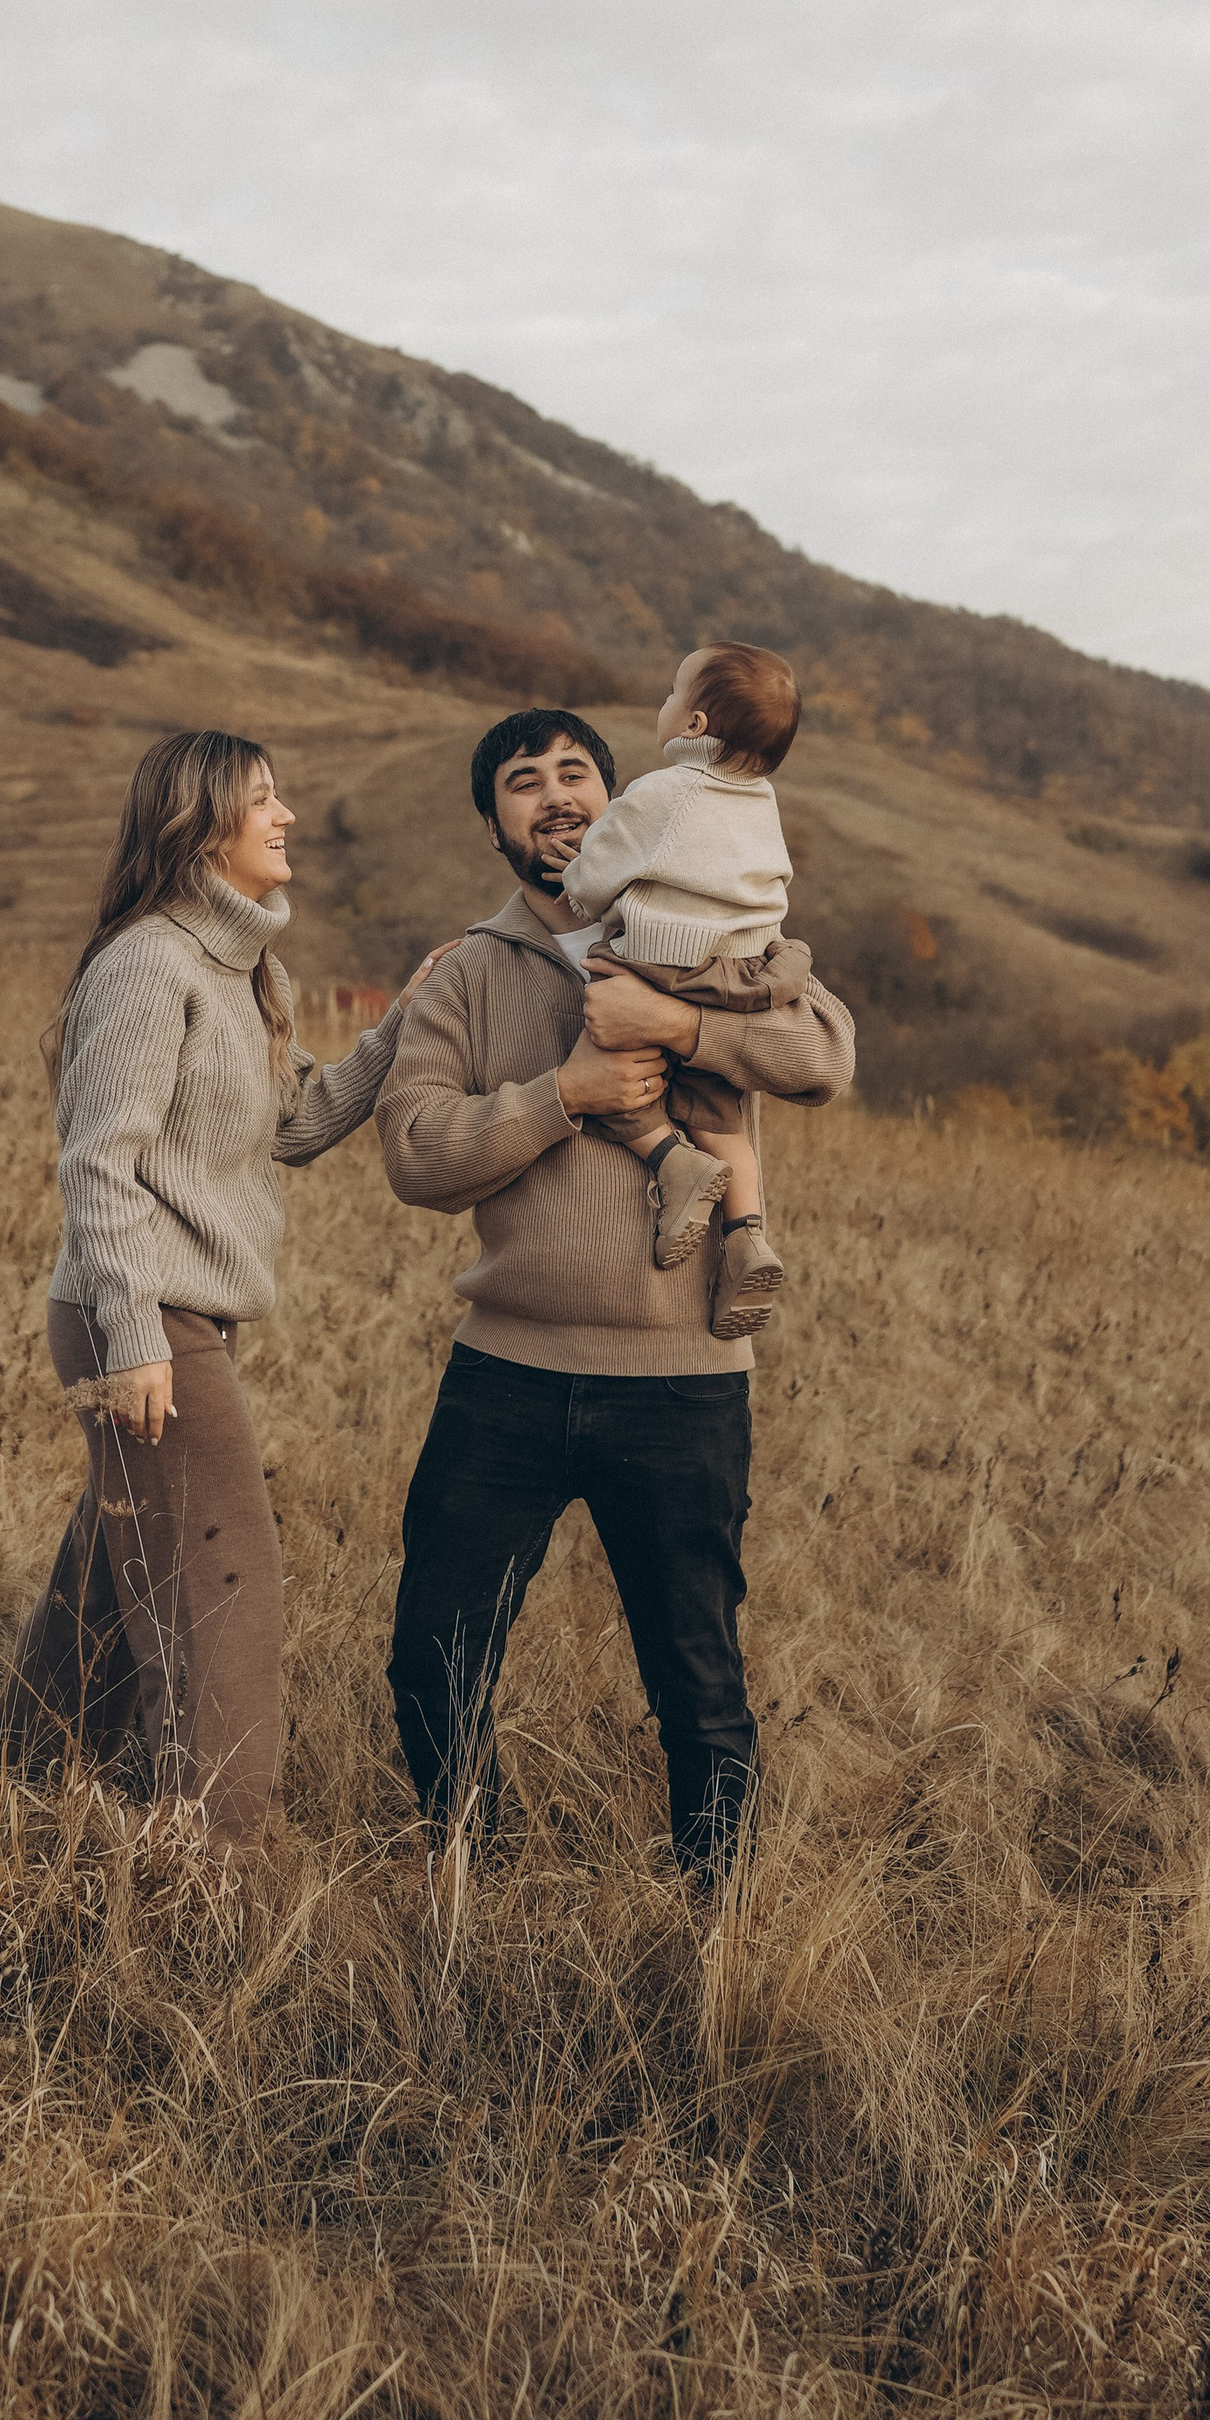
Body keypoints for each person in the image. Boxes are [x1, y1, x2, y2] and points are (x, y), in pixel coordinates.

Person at [376, 704, 855, 1884]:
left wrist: (677, 1022)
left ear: (621, 793)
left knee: (696, 1680)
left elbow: (825, 1056)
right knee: (434, 1656)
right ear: (493, 822)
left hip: (683, 1383)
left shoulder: (706, 930)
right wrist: (566, 1089)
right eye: (522, 782)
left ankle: (717, 1922)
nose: (555, 796)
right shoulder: (471, 972)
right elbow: (418, 1155)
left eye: (575, 772)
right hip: (507, 1376)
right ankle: (464, 1884)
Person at [0, 726, 449, 1847]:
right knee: (221, 1592)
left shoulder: (247, 972)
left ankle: (13, 1781)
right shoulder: (151, 963)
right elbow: (97, 1158)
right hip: (136, 1313)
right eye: (263, 800)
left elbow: (293, 1125)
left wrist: (398, 1032)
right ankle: (213, 1858)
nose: (286, 816)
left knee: (115, 1573)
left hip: (171, 1314)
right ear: (200, 828)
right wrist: (136, 1333)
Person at [557, 641, 807, 1341]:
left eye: (672, 692)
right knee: (721, 1108)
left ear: (694, 725)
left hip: (661, 964)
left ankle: (673, 1163)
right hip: (740, 973)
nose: (661, 704)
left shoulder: (662, 792)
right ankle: (749, 1234)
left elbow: (600, 870)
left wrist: (575, 882)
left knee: (610, 1072)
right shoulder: (760, 799)